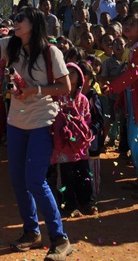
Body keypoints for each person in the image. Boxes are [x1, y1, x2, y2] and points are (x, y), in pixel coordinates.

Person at [0, 6, 72, 261]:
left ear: (34, 24)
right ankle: (31, 232)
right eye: (15, 18)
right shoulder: (10, 45)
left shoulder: (51, 52)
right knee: (18, 179)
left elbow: (65, 86)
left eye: (20, 19)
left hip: (42, 122)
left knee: (35, 180)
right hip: (16, 123)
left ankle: (60, 238)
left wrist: (35, 91)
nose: (15, 22)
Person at [101, 13, 138, 198]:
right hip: (135, 106)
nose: (127, 26)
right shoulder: (133, 49)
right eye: (126, 23)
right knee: (136, 144)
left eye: (132, 24)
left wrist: (113, 87)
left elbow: (135, 73)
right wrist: (120, 99)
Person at [49, 63, 93, 216]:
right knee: (66, 174)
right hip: (63, 143)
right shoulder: (57, 97)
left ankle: (86, 203)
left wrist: (82, 134)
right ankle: (69, 205)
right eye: (67, 71)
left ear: (80, 78)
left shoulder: (83, 100)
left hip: (80, 144)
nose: (69, 73)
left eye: (73, 72)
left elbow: (87, 119)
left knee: (84, 173)